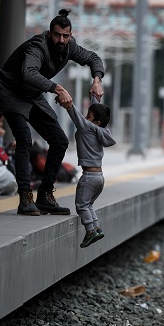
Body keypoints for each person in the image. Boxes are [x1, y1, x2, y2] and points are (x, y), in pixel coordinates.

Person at [0, 8, 105, 216]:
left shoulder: (70, 47)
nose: (61, 40)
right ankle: (25, 197)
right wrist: (58, 89)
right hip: (11, 91)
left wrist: (97, 80)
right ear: (49, 33)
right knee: (24, 140)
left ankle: (44, 194)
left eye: (65, 36)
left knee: (59, 140)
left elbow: (93, 57)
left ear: (70, 36)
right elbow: (29, 73)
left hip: (32, 95)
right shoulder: (37, 46)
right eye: (57, 35)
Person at [66, 102, 116, 248]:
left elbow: (74, 113)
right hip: (99, 177)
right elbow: (94, 110)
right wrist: (95, 96)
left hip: (88, 177)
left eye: (88, 116)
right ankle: (96, 228)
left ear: (97, 122)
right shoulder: (102, 129)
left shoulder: (87, 127)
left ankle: (90, 231)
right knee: (89, 204)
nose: (85, 117)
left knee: (81, 205)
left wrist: (66, 101)